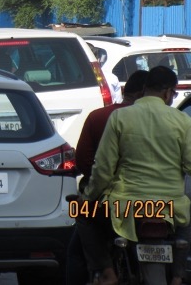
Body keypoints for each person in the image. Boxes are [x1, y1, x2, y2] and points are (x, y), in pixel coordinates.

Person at [76, 66, 191, 285]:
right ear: (168, 93)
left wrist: (88, 197)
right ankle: (176, 276)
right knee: (185, 225)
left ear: (145, 89)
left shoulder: (120, 117)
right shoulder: (183, 121)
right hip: (169, 207)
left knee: (82, 214)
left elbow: (103, 169)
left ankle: (106, 272)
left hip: (125, 206)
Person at [66, 70, 148, 285]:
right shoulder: (162, 120)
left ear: (123, 91)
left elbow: (85, 162)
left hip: (106, 203)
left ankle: (105, 270)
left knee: (77, 242)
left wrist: (90, 194)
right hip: (155, 204)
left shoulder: (100, 116)